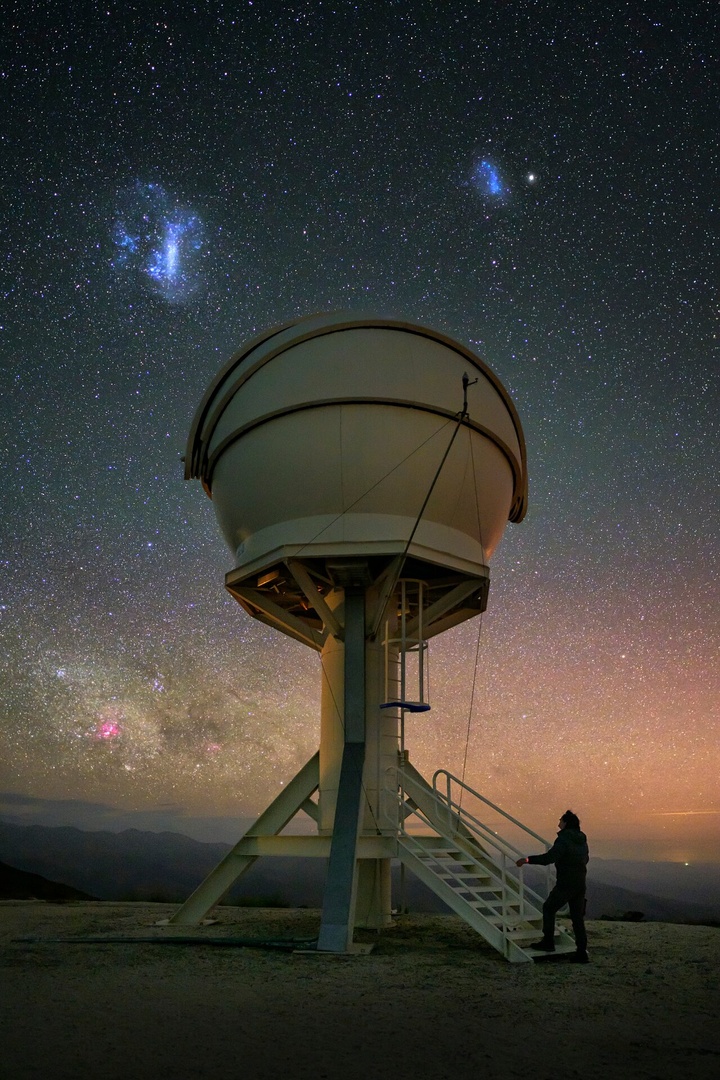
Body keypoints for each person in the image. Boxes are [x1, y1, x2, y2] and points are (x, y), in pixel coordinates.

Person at [516, 810, 589, 963]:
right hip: (580, 882)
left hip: (566, 882)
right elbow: (585, 858)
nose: (558, 822)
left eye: (560, 820)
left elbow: (549, 858)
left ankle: (548, 943)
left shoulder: (563, 839)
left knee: (549, 908)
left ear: (566, 822)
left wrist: (528, 860)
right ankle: (582, 952)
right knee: (577, 918)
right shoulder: (581, 839)